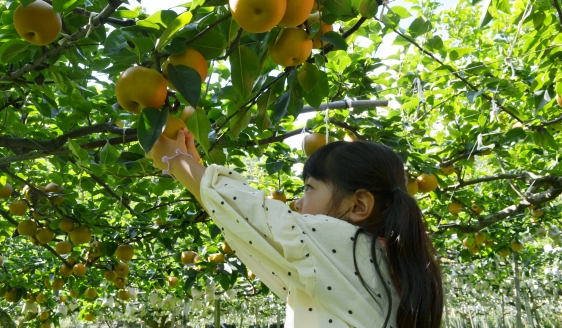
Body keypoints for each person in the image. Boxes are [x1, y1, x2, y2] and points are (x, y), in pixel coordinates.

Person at [147, 128, 443, 328]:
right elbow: (249, 231)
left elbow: (257, 217)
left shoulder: (344, 244)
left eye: (309, 188)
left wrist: (176, 161)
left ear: (358, 206)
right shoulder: (380, 259)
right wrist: (192, 169)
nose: (297, 203)